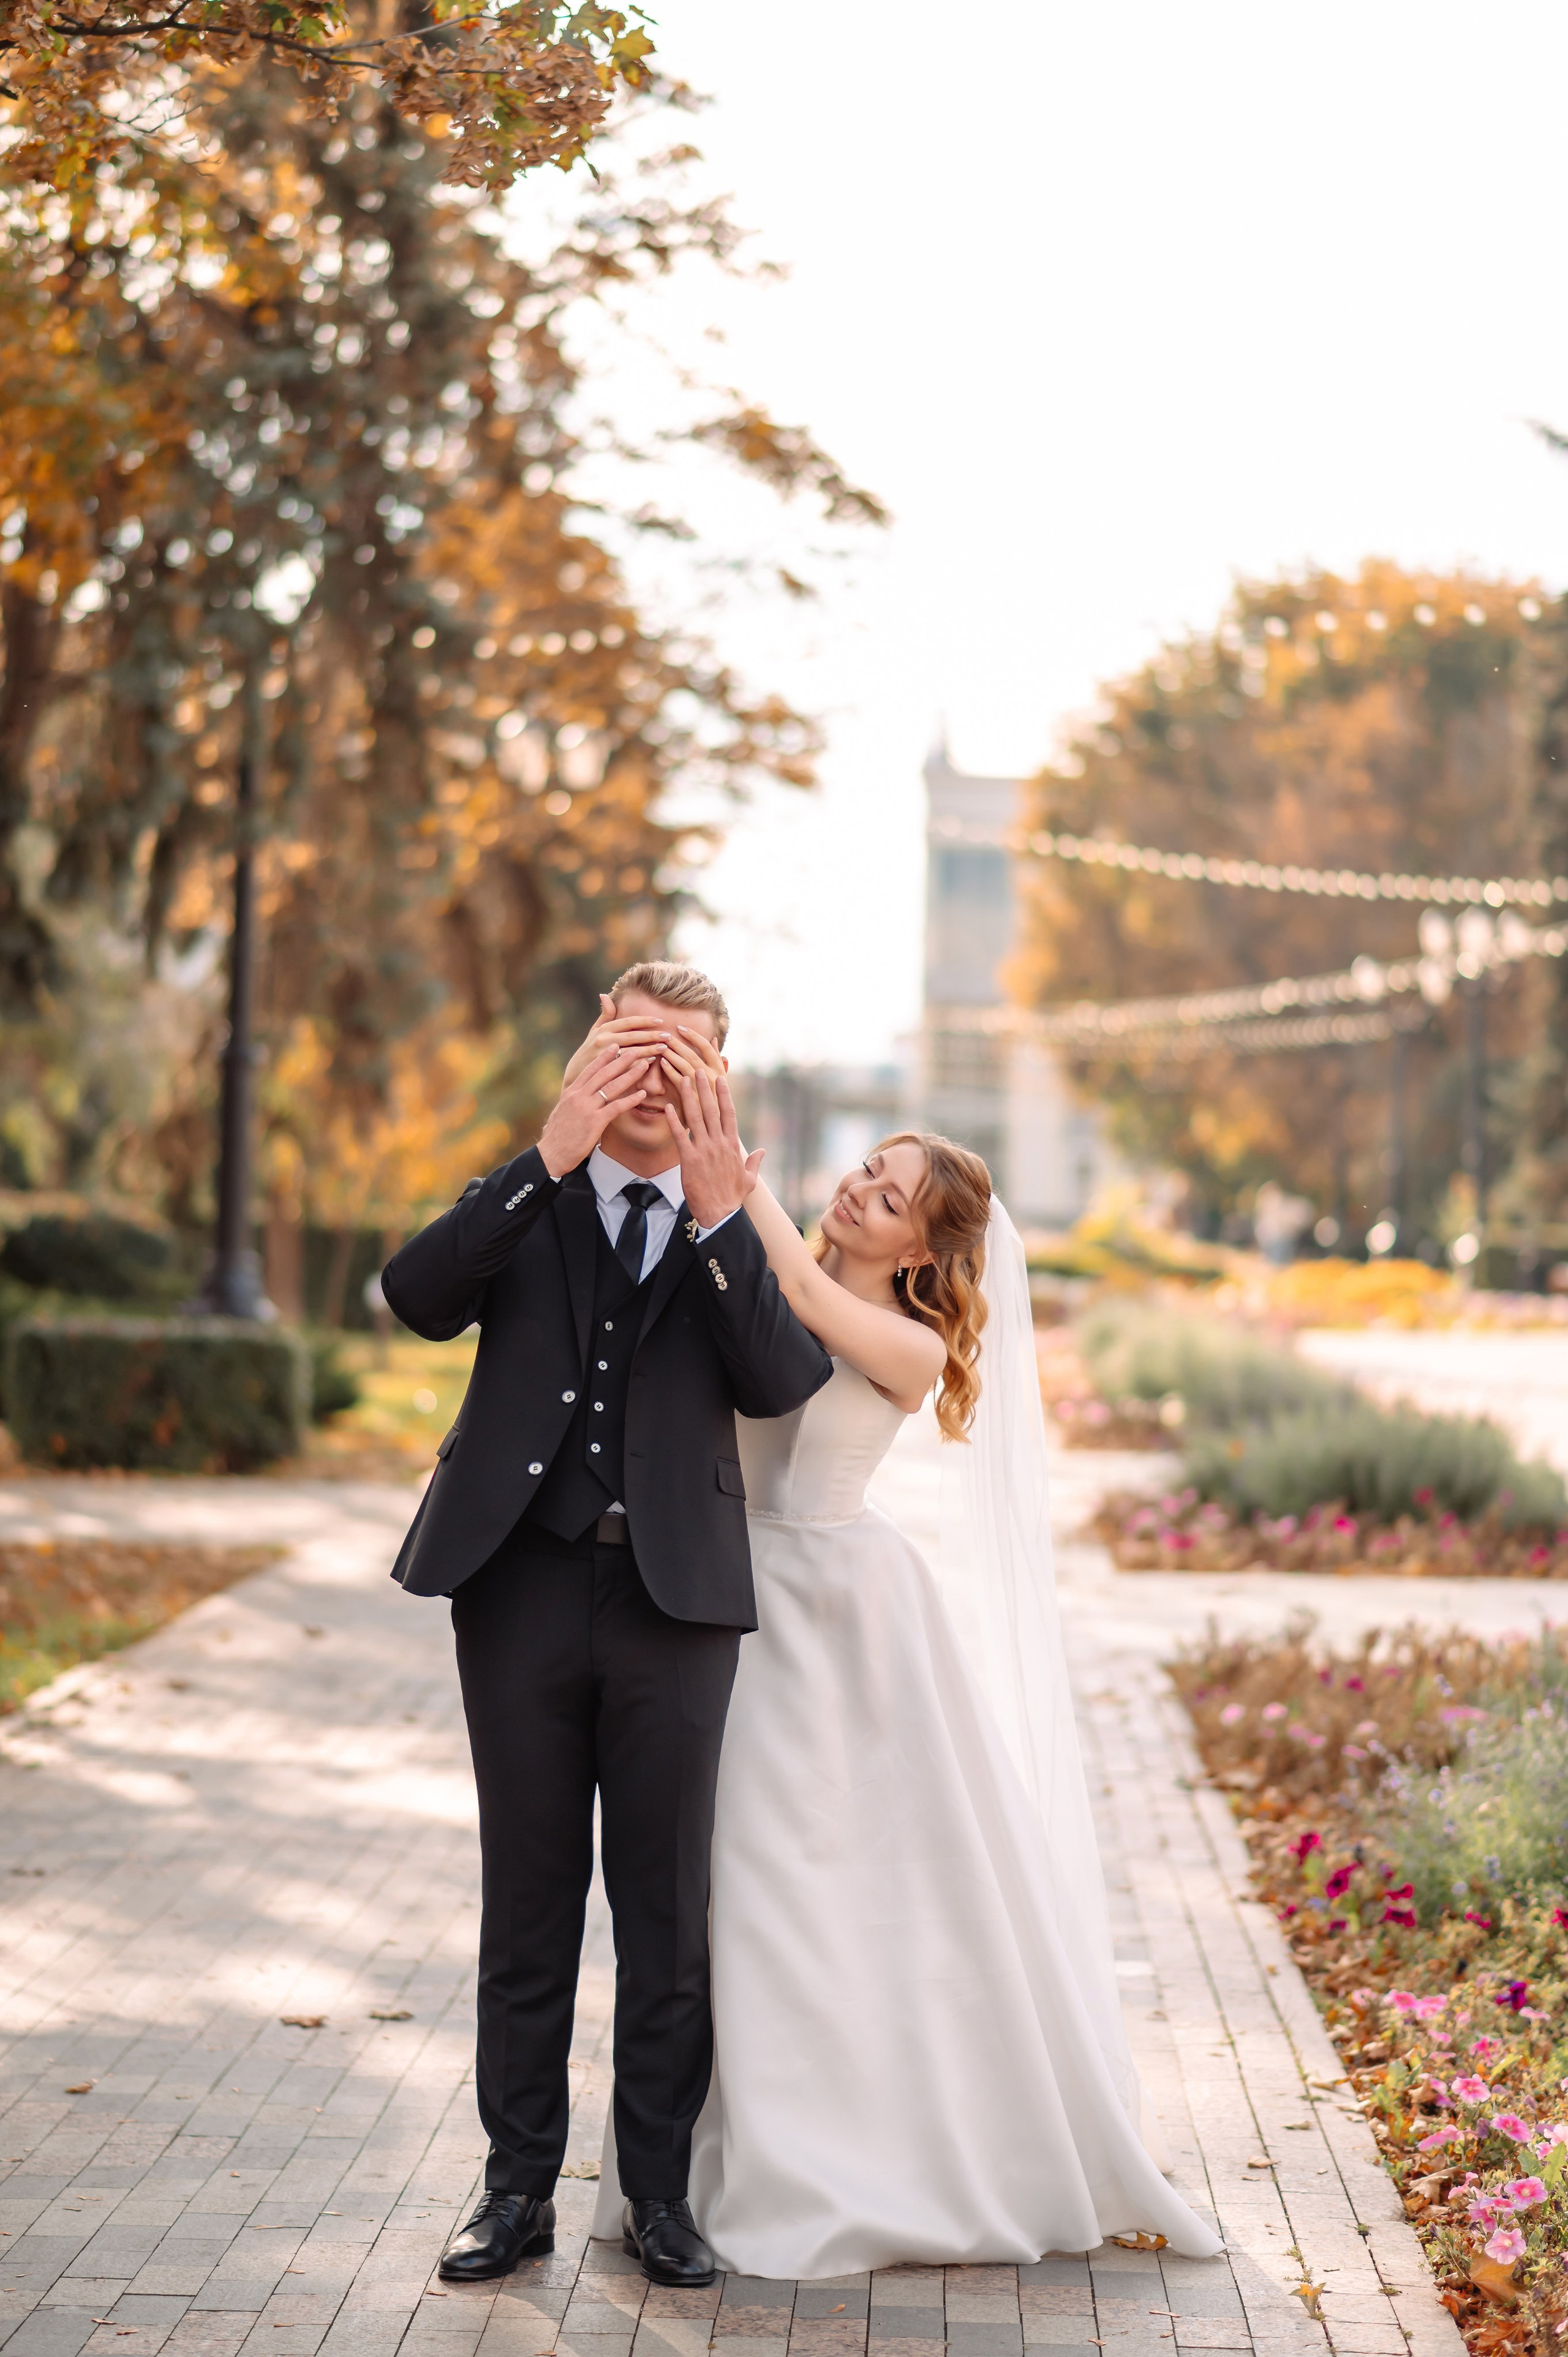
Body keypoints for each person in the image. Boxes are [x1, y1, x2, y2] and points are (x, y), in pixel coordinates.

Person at [588, 1040, 1224, 2273]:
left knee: (813, 1890)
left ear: (923, 1255)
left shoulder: (907, 1346)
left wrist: (727, 1178)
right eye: (864, 1172)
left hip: (836, 1623)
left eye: (886, 1199)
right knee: (719, 1897)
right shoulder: (751, 1269)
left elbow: (804, 1299)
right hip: (713, 1598)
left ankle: (833, 2161)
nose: (857, 1193)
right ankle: (692, 2169)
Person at [380, 963, 832, 2293]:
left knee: (666, 1914)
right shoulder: (533, 1191)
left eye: (680, 1058)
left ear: (719, 1079)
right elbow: (415, 1296)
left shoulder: (734, 1215)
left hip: (674, 1602)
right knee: (527, 1903)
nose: (651, 1080)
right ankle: (514, 2188)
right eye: (630, 1049)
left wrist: (720, 1215)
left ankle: (659, 2197)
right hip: (515, 1587)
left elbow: (782, 1380)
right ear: (589, 1057)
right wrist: (548, 1153)